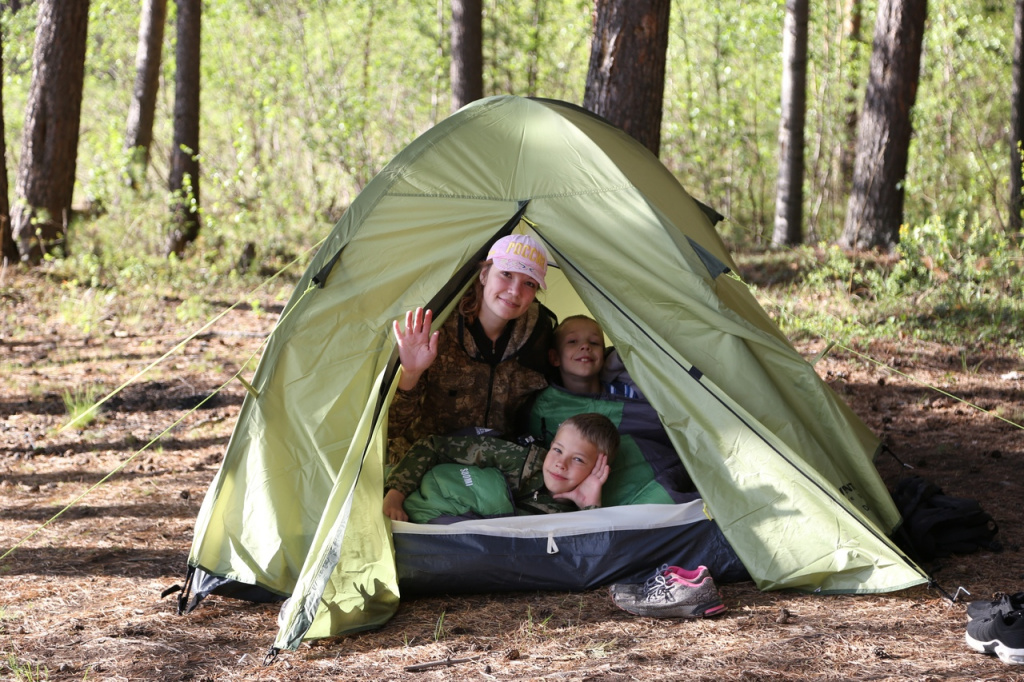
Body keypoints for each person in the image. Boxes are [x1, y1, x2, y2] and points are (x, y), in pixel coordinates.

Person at [388, 234, 556, 462]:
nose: (515, 291)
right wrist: (411, 373)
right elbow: (391, 430)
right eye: (506, 274)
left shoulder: (541, 334)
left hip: (497, 464)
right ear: (484, 275)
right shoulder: (440, 326)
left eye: (529, 283)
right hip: (425, 461)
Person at [382, 412, 620, 520]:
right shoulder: (516, 459)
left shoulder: (570, 515)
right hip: (410, 489)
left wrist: (590, 505)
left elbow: (592, 554)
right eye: (557, 450)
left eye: (578, 459)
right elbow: (432, 446)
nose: (561, 463)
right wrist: (395, 495)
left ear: (597, 470)